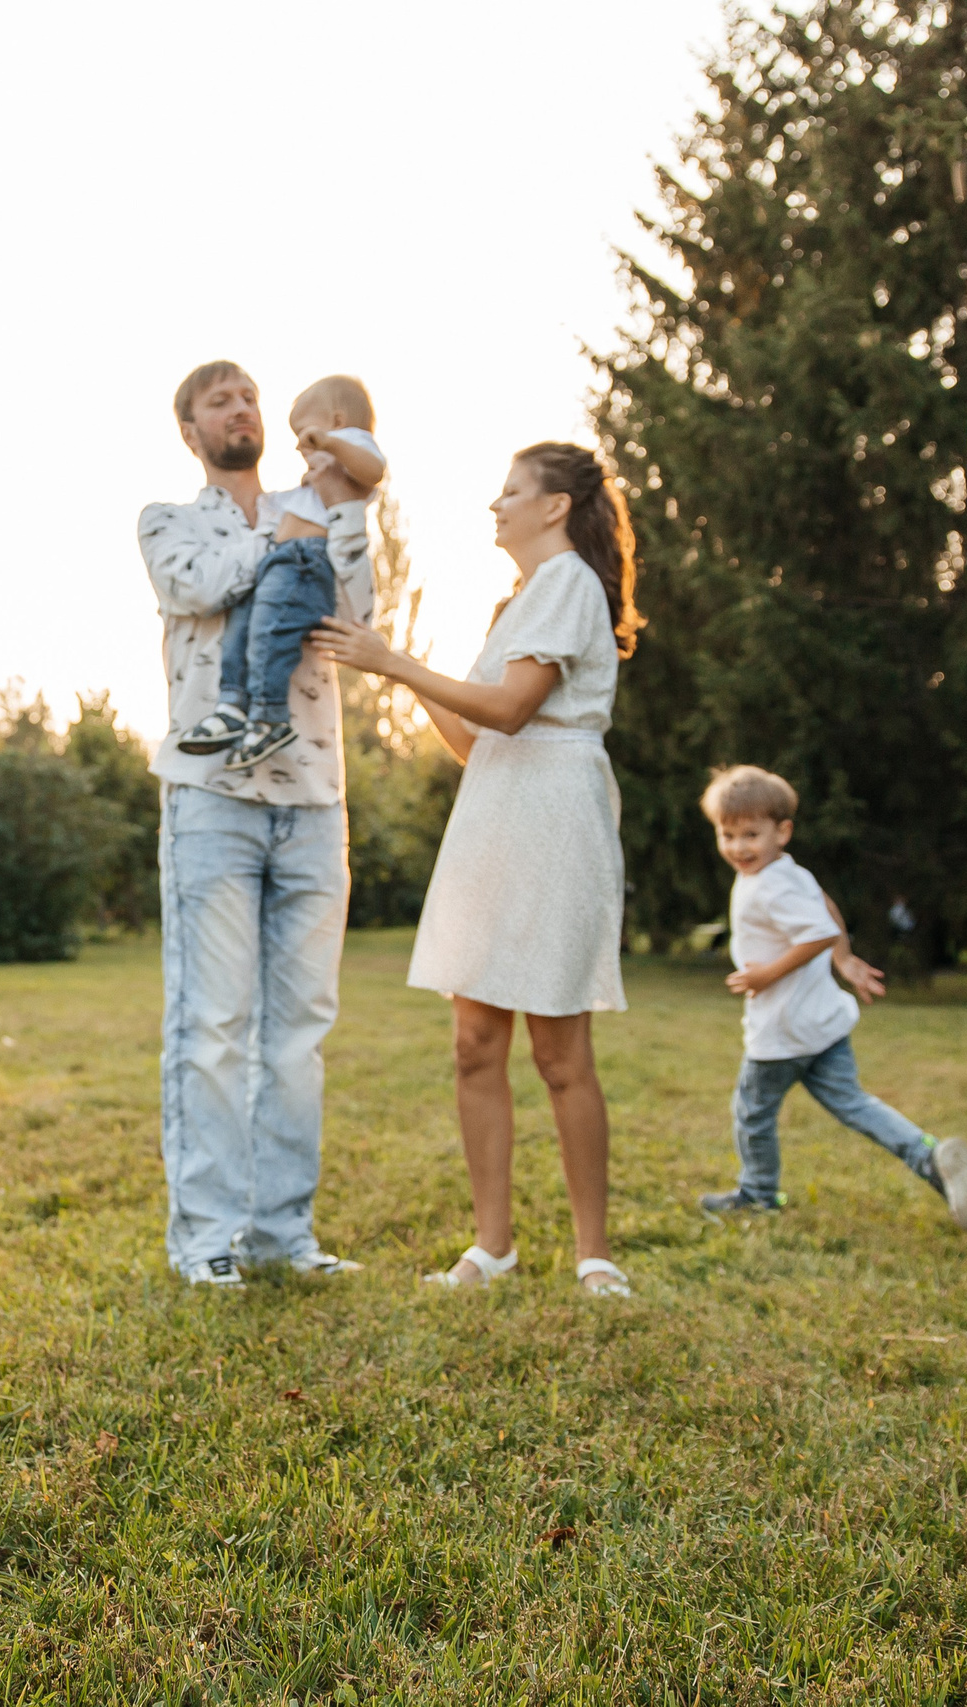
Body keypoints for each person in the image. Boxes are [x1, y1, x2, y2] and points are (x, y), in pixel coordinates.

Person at [312, 441, 644, 1297]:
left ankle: (594, 1253)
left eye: (510, 492)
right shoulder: (520, 601)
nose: (494, 507)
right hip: (493, 816)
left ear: (554, 506)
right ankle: (491, 1247)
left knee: (560, 1051)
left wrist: (392, 663)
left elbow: (513, 707)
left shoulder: (569, 580)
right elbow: (472, 739)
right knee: (473, 1043)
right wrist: (405, 664)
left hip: (555, 818)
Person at [137, 362, 369, 1287]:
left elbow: (357, 609)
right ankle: (207, 1239)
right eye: (219, 401)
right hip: (212, 801)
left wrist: (328, 514)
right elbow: (198, 585)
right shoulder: (168, 519)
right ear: (191, 430)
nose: (241, 410)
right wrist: (294, 537)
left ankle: (284, 1234)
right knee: (212, 1024)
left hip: (316, 797)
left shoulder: (314, 504)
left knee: (299, 1031)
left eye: (250, 398)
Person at [695, 765, 967, 1231]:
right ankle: (932, 1159)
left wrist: (766, 975)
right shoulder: (788, 872)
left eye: (751, 834)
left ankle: (757, 1194)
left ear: (783, 831)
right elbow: (826, 908)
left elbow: (815, 933)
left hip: (783, 1031)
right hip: (823, 1024)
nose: (738, 847)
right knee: (856, 1105)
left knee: (751, 1113)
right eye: (727, 834)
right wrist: (846, 959)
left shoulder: (767, 884)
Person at [177, 375, 388, 772]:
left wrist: (330, 445)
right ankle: (232, 703)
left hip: (303, 563)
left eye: (305, 433)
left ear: (338, 420)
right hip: (278, 564)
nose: (300, 447)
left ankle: (270, 715)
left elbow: (375, 469)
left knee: (268, 635)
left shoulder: (352, 449)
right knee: (241, 628)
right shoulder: (311, 482)